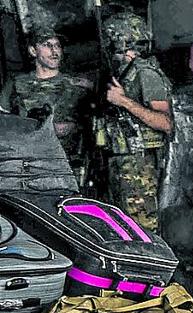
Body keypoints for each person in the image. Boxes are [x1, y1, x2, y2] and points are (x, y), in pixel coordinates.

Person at [97, 11, 173, 233]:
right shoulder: (124, 73)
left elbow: (166, 122)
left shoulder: (145, 73)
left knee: (144, 229)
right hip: (122, 162)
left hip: (141, 166)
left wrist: (123, 101)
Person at [0, 25, 91, 183]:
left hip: (71, 165)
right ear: (33, 51)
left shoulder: (79, 86)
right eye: (47, 45)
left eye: (57, 46)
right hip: (31, 166)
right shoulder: (16, 84)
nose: (54, 51)